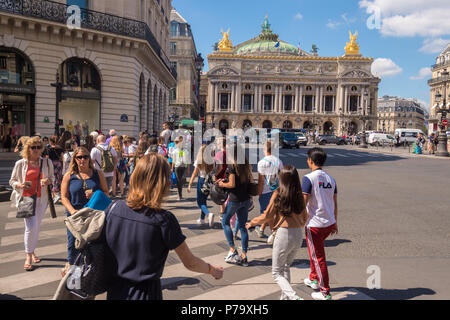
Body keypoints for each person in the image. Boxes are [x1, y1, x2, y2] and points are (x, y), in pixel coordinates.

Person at [104, 153, 223, 300]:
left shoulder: (113, 208)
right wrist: (212, 270)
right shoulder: (163, 220)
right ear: (161, 183)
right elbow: (190, 262)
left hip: (115, 291)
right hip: (145, 294)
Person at [246, 165, 307, 300]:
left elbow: (267, 216)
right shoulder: (300, 196)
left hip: (284, 235)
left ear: (282, 178)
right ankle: (285, 297)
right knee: (285, 266)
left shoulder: (278, 193)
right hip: (298, 235)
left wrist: (252, 222)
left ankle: (293, 297)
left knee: (276, 272)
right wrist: (297, 224)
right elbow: (305, 218)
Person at [60, 146, 108, 276]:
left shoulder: (98, 173)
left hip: (94, 215)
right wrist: (72, 211)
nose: (82, 160)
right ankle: (73, 277)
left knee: (94, 245)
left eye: (85, 157)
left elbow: (106, 193)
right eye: (79, 157)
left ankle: (92, 275)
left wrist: (95, 194)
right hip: (75, 216)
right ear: (75, 159)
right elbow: (63, 197)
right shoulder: (69, 176)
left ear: (89, 159)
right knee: (73, 246)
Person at [9, 136, 55, 271]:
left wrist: (48, 181)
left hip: (42, 199)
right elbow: (12, 181)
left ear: (42, 149)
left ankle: (32, 250)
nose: (35, 150)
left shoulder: (47, 163)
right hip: (26, 199)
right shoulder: (21, 164)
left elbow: (52, 178)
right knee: (31, 226)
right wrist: (20, 184)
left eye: (38, 147)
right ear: (27, 148)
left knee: (36, 226)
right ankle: (28, 255)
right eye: (32, 147)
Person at [302, 148, 338, 300]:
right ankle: (314, 278)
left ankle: (325, 292)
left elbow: (303, 202)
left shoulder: (308, 178)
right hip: (329, 222)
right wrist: (335, 222)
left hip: (315, 224)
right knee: (315, 253)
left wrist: (299, 221)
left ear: (310, 160)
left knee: (318, 257)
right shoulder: (331, 179)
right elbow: (335, 203)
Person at [216, 144, 253, 267]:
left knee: (225, 221)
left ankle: (232, 249)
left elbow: (231, 184)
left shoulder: (232, 166)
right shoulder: (247, 165)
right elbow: (251, 182)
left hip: (234, 199)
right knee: (242, 227)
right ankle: (244, 255)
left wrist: (221, 184)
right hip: (245, 199)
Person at [255, 141, 283, 238]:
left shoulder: (261, 162)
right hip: (276, 190)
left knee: (268, 213)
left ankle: (274, 233)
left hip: (265, 191)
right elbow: (281, 177)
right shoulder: (279, 161)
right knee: (271, 212)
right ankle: (262, 230)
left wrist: (259, 192)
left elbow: (261, 181)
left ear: (264, 149)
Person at [188, 145, 215, 227]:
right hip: (209, 181)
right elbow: (213, 170)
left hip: (202, 181)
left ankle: (208, 214)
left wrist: (190, 184)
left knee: (200, 201)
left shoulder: (198, 161)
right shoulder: (212, 160)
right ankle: (202, 219)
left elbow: (194, 173)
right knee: (204, 200)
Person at [214, 138, 228, 218]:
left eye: (218, 143)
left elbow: (220, 167)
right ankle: (225, 213)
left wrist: (215, 175)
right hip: (229, 177)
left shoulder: (219, 154)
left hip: (221, 177)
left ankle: (223, 214)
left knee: (221, 197)